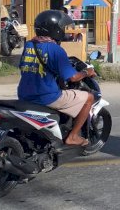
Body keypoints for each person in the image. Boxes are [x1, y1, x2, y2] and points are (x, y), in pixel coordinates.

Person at [17, 9, 97, 147]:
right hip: (46, 97)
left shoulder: (29, 44)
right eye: (61, 28)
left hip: (24, 94)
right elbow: (73, 77)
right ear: (55, 29)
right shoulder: (56, 50)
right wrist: (86, 73)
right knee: (89, 98)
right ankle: (72, 137)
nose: (63, 30)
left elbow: (24, 66)